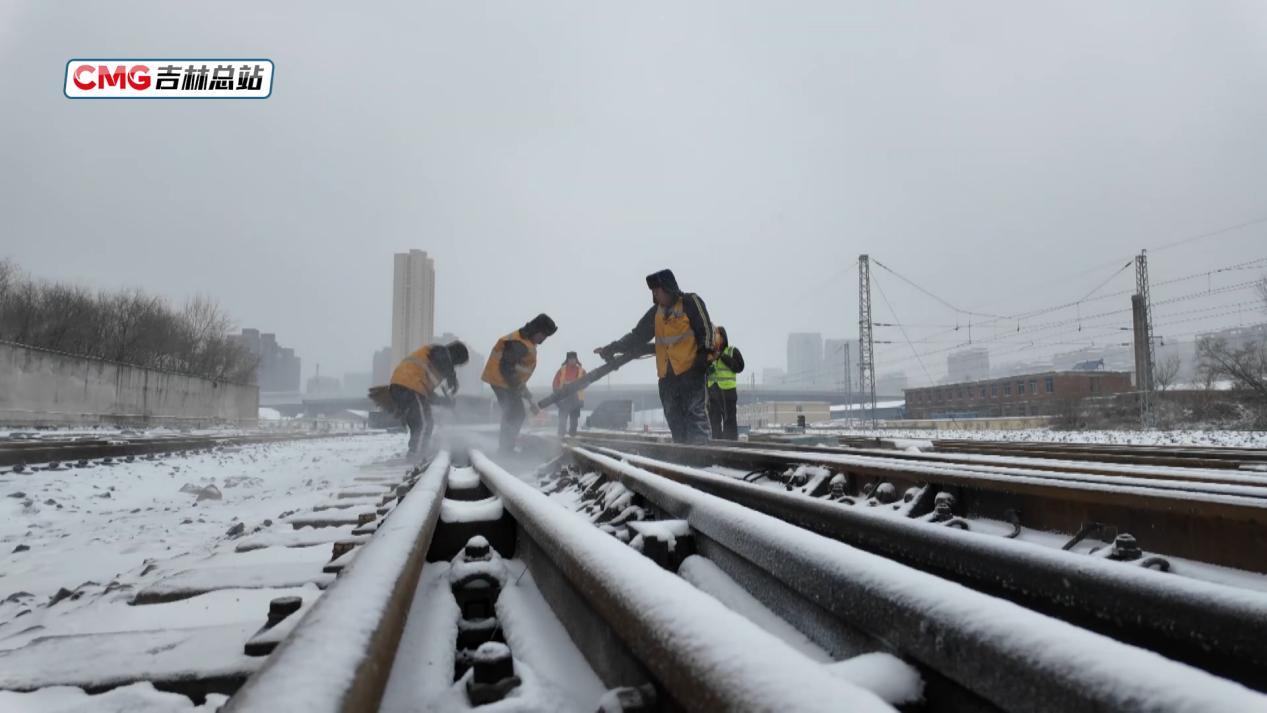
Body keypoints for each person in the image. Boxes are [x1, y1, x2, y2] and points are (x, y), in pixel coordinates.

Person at [596, 269, 714, 443]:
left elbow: (706, 332)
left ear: (669, 288)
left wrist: (701, 361)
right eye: (653, 292)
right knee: (675, 420)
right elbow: (637, 336)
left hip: (691, 373)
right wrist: (613, 348)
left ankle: (701, 458)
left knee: (695, 418)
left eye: (658, 290)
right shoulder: (656, 313)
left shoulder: (690, 302)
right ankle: (683, 459)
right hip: (667, 378)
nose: (655, 294)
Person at [481, 313, 557, 453]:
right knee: (514, 413)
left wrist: (527, 395)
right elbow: (507, 368)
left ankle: (506, 447)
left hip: (506, 382)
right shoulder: (519, 344)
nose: (543, 339)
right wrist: (521, 389)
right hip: (501, 381)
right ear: (536, 329)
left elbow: (516, 375)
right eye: (543, 335)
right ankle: (505, 449)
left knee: (515, 412)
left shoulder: (526, 341)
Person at [388, 340, 469, 457]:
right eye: (457, 363)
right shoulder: (440, 351)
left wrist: (444, 402)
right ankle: (416, 455)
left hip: (405, 387)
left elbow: (427, 395)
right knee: (424, 423)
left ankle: (417, 451)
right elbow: (443, 358)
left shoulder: (430, 367)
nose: (456, 366)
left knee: (420, 423)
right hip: (408, 386)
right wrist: (452, 377)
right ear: (455, 356)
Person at [707, 326, 744, 440]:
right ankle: (717, 444)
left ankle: (730, 443)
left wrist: (722, 356)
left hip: (728, 390)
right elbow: (706, 371)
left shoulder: (732, 351)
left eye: (717, 334)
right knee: (714, 420)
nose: (715, 337)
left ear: (723, 337)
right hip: (713, 391)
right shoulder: (710, 353)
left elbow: (739, 367)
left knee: (729, 419)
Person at [552, 351, 587, 438]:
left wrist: (578, 386)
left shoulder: (581, 371)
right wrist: (557, 393)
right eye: (570, 359)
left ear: (576, 360)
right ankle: (560, 437)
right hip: (563, 398)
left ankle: (572, 437)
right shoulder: (561, 370)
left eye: (573, 359)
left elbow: (586, 382)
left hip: (576, 398)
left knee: (574, 420)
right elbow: (555, 383)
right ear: (567, 360)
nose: (572, 361)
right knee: (562, 419)